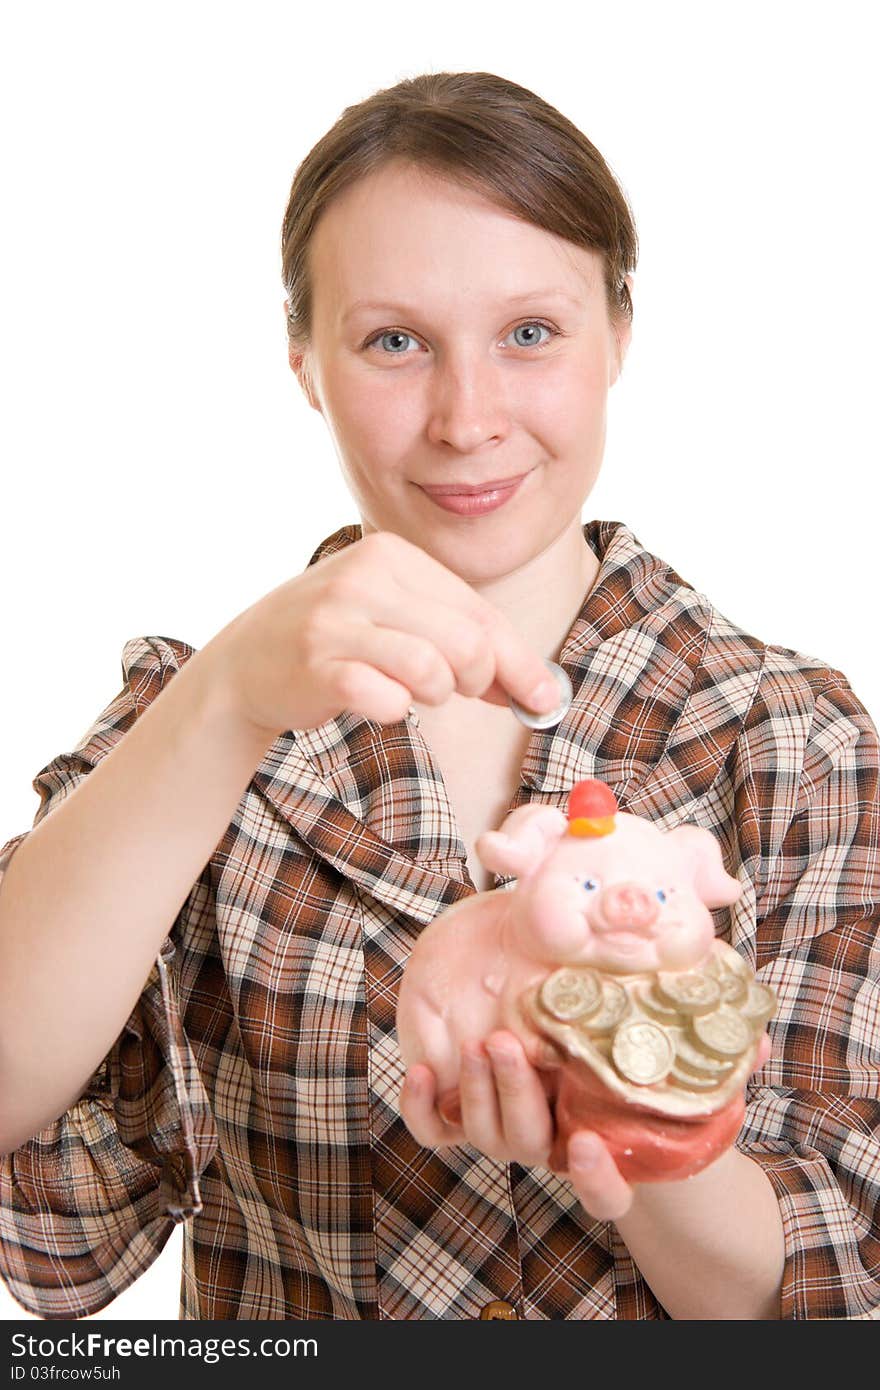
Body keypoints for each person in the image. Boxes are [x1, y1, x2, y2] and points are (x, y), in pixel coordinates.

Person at [0, 70, 877, 1323]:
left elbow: (830, 1296)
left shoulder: (788, 738)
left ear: (618, 336)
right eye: (394, 340)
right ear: (305, 358)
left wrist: (630, 1127)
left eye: (530, 332)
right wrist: (219, 707)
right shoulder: (201, 725)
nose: (469, 420)